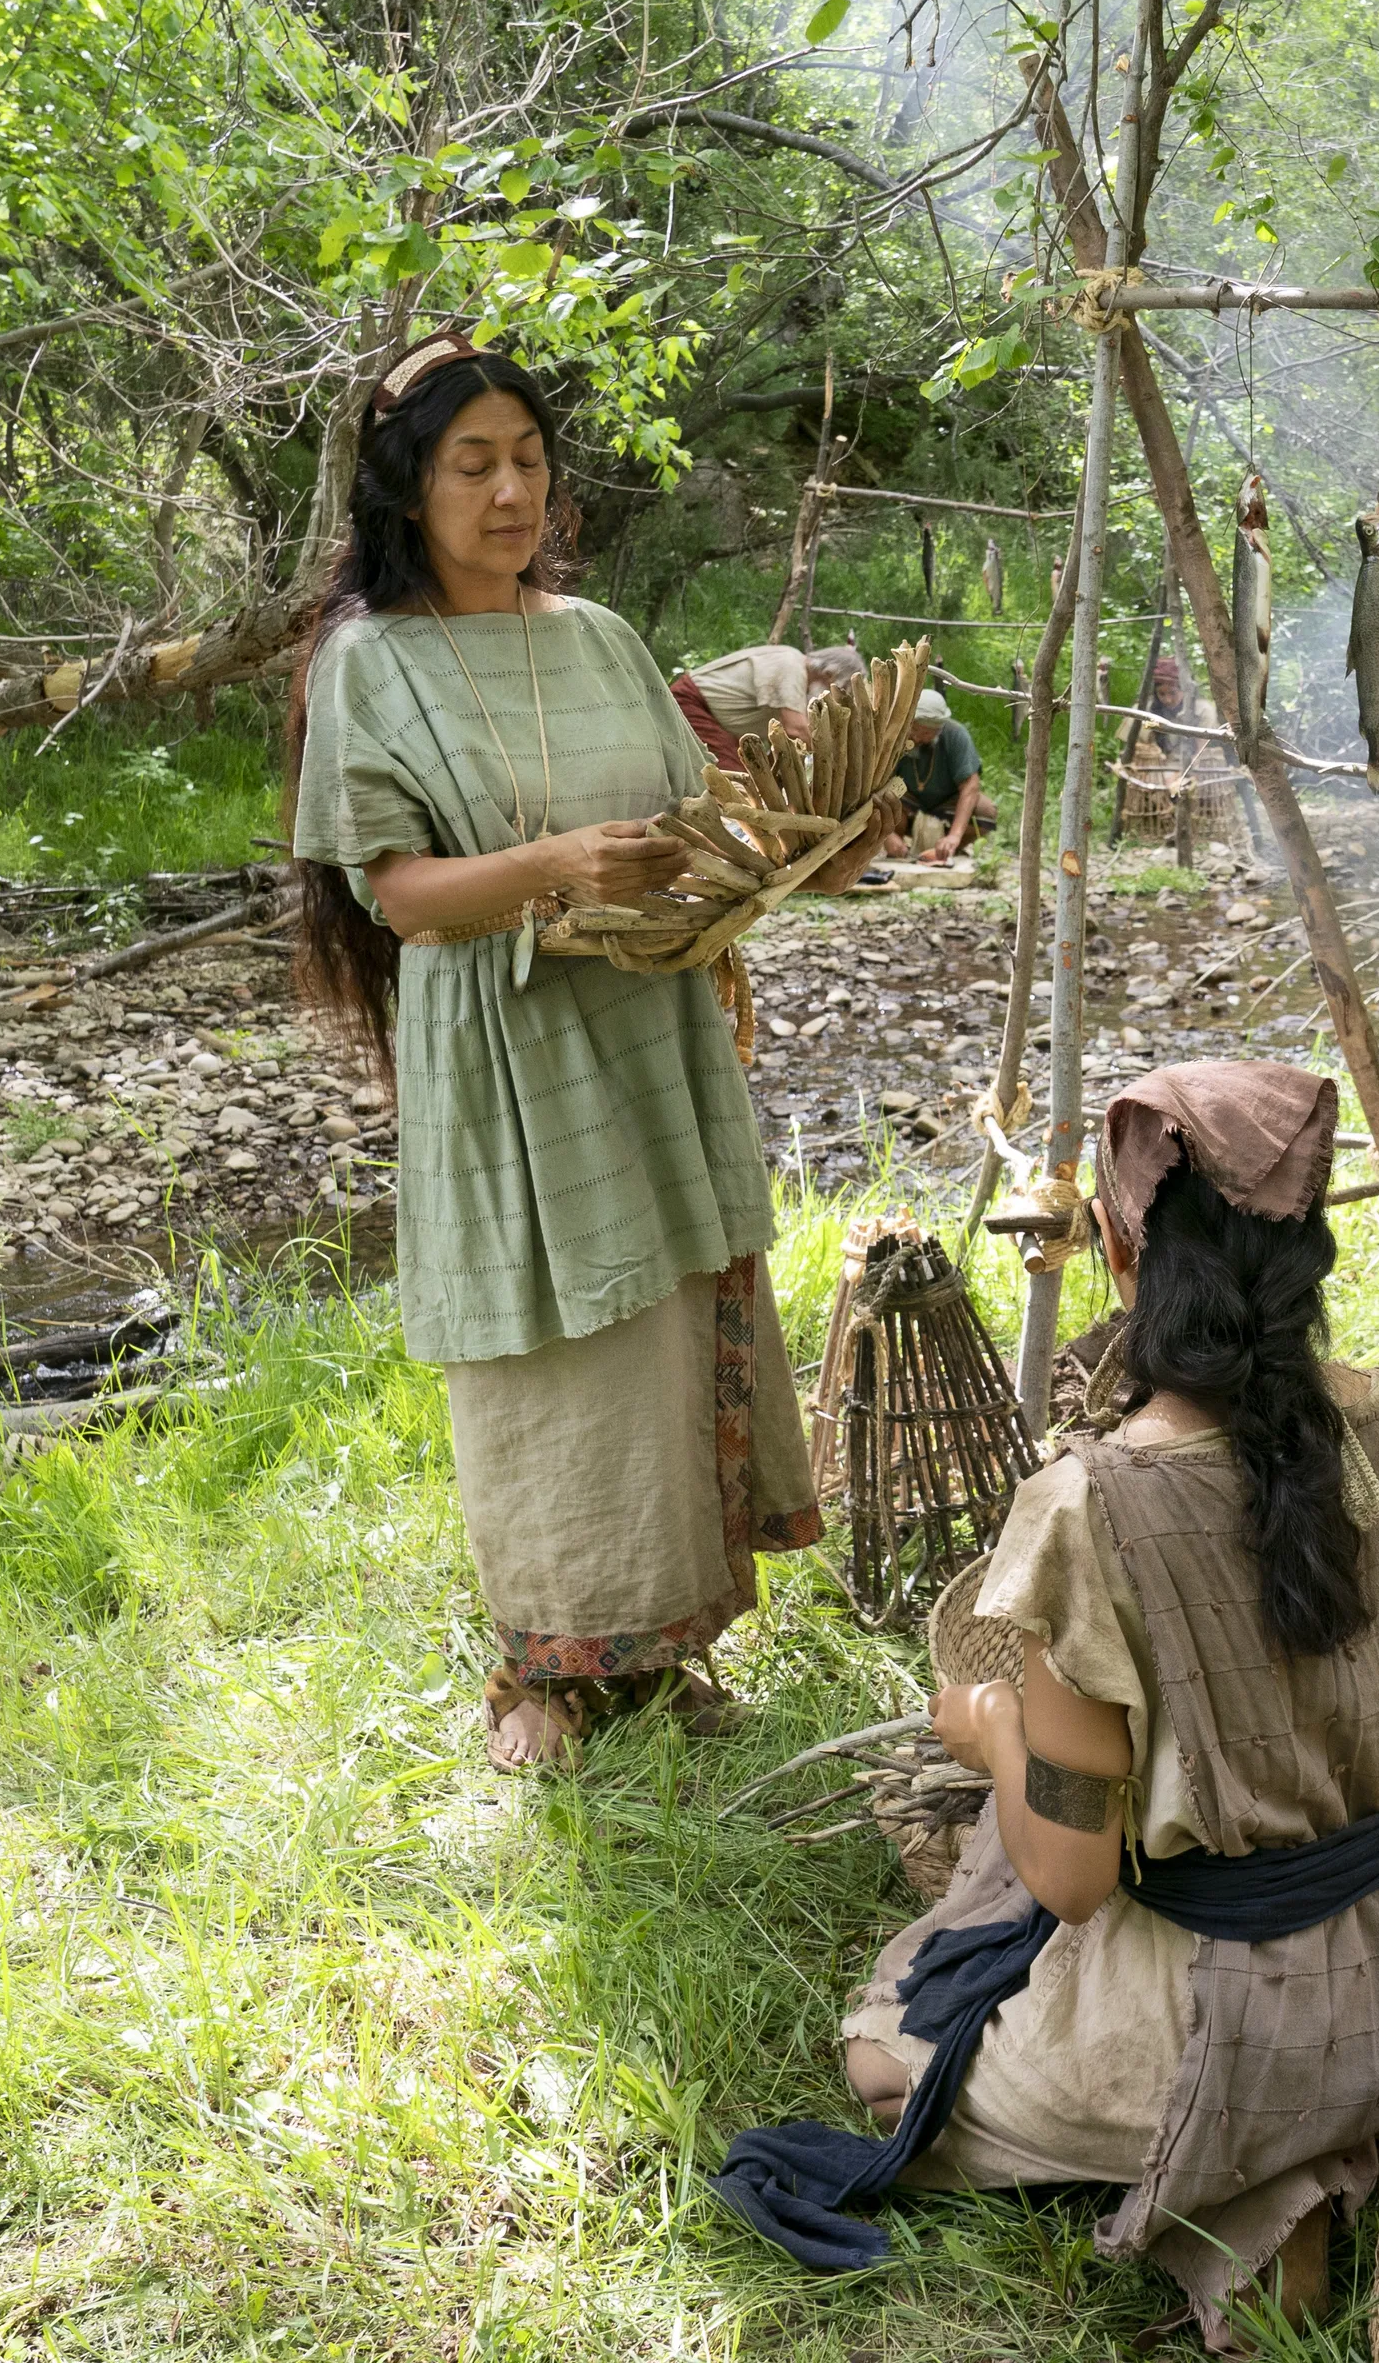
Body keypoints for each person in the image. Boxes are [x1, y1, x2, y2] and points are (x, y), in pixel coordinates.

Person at [717, 1063, 1379, 2348]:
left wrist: (994, 1732)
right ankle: (1326, 2148)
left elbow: (1073, 1880)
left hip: (1229, 2022)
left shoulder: (1092, 1508)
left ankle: (1248, 2180)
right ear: (1307, 1245)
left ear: (1124, 1256)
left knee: (884, 2055)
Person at [282, 333, 868, 1765]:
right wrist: (550, 868)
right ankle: (543, 1669)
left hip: (649, 1018)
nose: (509, 493)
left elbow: (696, 826)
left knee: (659, 1321)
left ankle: (660, 1656)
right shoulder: (371, 663)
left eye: (528, 461)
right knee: (553, 1347)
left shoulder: (599, 640)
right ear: (406, 488)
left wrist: (819, 839)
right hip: (504, 1041)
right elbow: (398, 894)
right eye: (471, 465)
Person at [672, 638, 861, 768]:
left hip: (718, 722)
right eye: (840, 689)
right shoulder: (791, 665)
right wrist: (836, 758)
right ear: (830, 674)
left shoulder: (798, 678)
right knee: (733, 783)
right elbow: (796, 730)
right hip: (693, 704)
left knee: (745, 779)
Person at [893, 687, 987, 863]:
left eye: (927, 733)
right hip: (907, 801)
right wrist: (887, 835)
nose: (918, 738)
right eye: (915, 730)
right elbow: (877, 788)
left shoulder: (955, 734)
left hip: (947, 803)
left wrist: (955, 836)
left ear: (939, 729)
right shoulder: (895, 735)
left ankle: (946, 849)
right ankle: (897, 848)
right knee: (889, 805)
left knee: (985, 811)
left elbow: (970, 786)